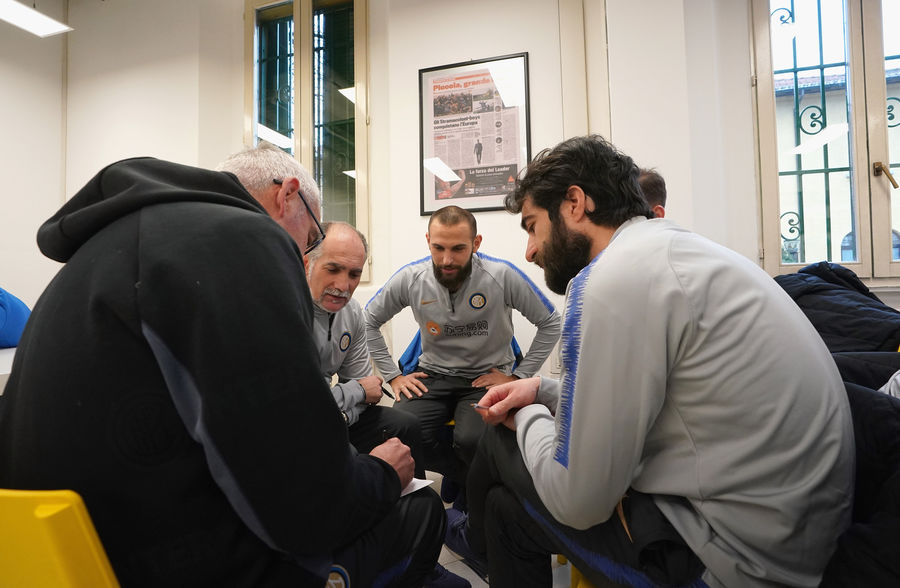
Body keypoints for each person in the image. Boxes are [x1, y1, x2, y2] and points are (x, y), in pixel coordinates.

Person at [0, 142, 447, 588]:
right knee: (419, 511)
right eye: (311, 240)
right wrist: (382, 475)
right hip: (164, 563)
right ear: (287, 195)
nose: (303, 258)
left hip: (57, 556)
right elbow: (309, 506)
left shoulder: (107, 246)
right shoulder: (238, 237)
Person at [447, 135, 855, 587]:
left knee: (501, 441)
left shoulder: (611, 280)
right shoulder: (675, 251)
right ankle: (478, 538)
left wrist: (527, 415)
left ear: (574, 204)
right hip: (792, 539)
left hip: (737, 565)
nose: (530, 250)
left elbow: (578, 503)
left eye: (531, 226)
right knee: (506, 511)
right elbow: (659, 402)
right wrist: (541, 389)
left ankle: (468, 538)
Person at [304, 220, 470, 587]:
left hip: (333, 417)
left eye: (354, 274)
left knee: (402, 424)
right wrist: (352, 395)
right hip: (302, 428)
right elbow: (302, 406)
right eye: (333, 269)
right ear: (307, 263)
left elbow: (368, 390)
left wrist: (347, 401)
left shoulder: (351, 313)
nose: (343, 284)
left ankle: (421, 553)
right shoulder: (287, 312)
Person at [364, 205, 561, 511]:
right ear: (428, 241)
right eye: (438, 248)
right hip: (432, 375)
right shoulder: (412, 278)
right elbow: (368, 321)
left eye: (458, 249)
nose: (447, 260)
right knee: (402, 430)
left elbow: (551, 322)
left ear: (476, 243)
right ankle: (465, 479)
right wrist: (393, 376)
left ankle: (472, 487)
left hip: (485, 377)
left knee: (472, 439)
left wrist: (518, 377)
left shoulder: (501, 275)